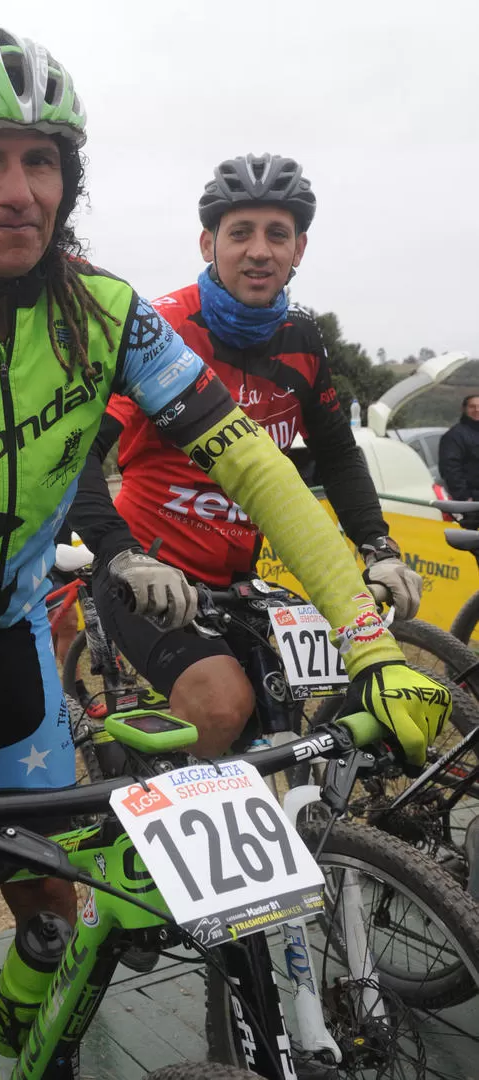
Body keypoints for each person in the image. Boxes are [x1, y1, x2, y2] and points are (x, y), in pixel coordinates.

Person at [0, 33, 449, 1079]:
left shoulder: (106, 314)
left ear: (69, 179)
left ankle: (18, 1032)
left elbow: (257, 466)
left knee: (54, 910)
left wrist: (366, 636)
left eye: (42, 161)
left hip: (10, 617)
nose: (19, 191)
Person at [70, 153, 425, 757]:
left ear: (300, 249)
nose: (259, 250)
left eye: (277, 234)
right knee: (221, 707)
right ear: (208, 243)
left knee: (273, 731)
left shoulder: (304, 339)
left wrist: (378, 545)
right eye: (240, 233)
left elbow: (338, 453)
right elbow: (77, 457)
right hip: (150, 572)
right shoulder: (161, 329)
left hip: (239, 582)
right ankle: (126, 813)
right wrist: (119, 554)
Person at [439, 395, 479, 534]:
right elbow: (450, 469)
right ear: (464, 409)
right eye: (472, 406)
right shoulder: (455, 436)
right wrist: (464, 498)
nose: (477, 410)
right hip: (472, 505)